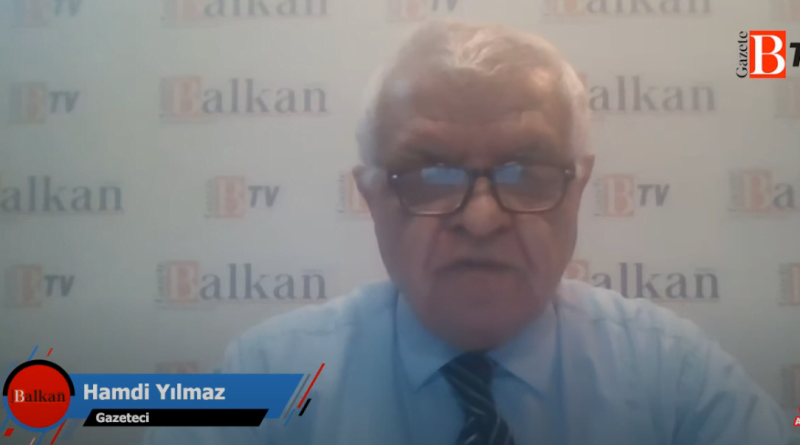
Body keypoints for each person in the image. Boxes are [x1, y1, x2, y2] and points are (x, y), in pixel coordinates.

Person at [145, 20, 798, 445]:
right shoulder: (267, 375)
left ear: (577, 188)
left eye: (525, 172)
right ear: (371, 196)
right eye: (430, 174)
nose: (482, 219)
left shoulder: (673, 380)